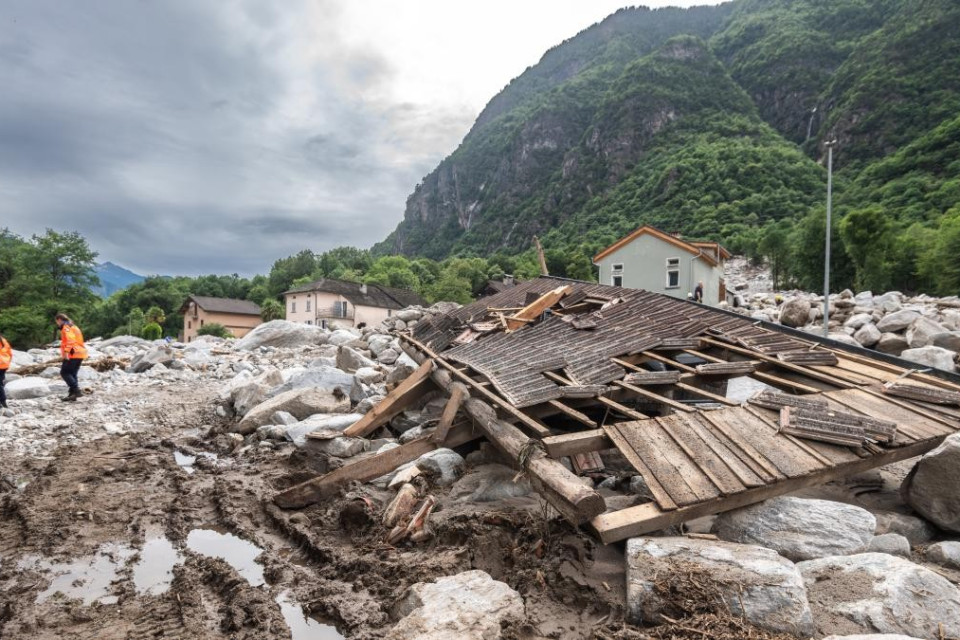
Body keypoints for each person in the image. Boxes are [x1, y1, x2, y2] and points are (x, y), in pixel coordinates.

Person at [55, 313, 88, 402]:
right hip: (80, 352)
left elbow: (71, 340)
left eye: (57, 322)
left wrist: (66, 351)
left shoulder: (66, 327)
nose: (57, 324)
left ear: (59, 320)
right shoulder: (74, 326)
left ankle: (76, 390)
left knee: (64, 372)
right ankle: (72, 394)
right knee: (72, 374)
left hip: (73, 353)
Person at [0, 332, 11, 409]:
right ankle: (3, 402)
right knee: (0, 383)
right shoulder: (3, 340)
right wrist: (7, 363)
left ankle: (2, 401)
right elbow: (10, 353)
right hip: (4, 364)